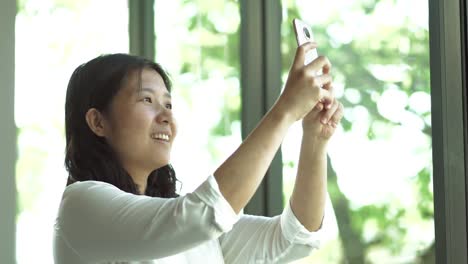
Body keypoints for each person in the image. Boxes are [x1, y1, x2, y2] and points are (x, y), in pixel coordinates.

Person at [53, 42, 344, 264]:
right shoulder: (81, 205)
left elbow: (295, 238)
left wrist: (315, 142)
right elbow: (204, 215)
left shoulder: (186, 227)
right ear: (98, 121)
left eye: (168, 104)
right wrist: (285, 110)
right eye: (146, 99)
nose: (166, 116)